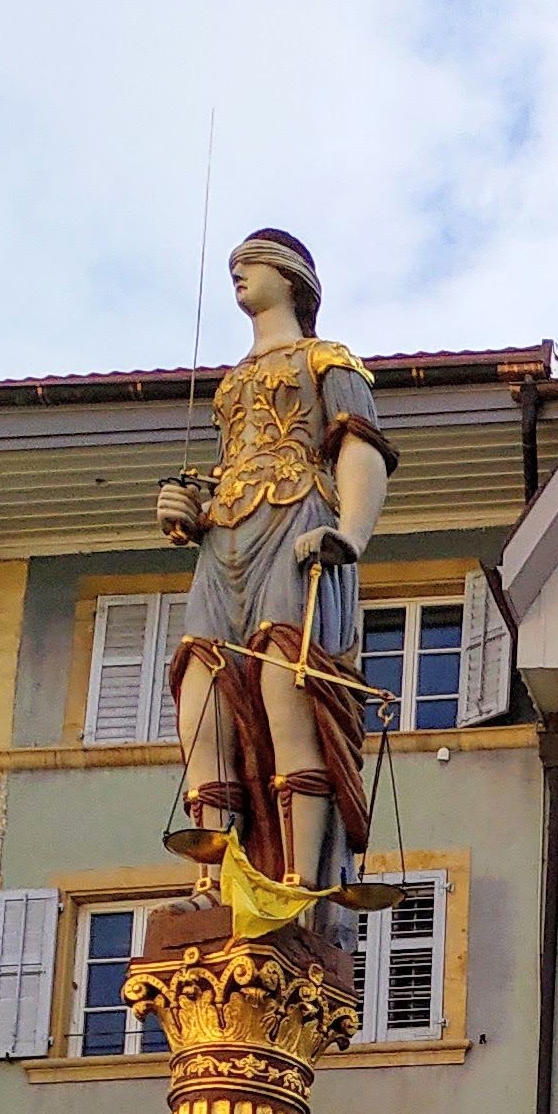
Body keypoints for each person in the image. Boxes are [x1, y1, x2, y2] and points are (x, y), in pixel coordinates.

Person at [154, 228, 397, 908]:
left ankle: (296, 879)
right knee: (206, 695)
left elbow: (360, 448)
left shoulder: (326, 361)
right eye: (233, 267)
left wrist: (349, 533)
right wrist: (188, 506)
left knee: (285, 685)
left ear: (290, 277)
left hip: (297, 526)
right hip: (224, 541)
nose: (238, 276)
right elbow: (227, 469)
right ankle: (213, 881)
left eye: (250, 264)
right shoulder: (230, 384)